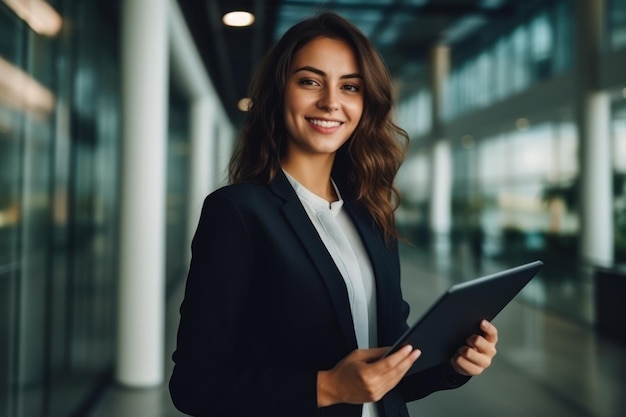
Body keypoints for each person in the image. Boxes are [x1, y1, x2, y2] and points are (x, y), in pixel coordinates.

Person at [169, 12, 498, 417]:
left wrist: (454, 364)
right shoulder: (238, 212)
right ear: (278, 92)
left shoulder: (371, 215)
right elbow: (194, 385)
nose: (331, 102)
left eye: (350, 87)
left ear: (365, 103)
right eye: (310, 81)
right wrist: (328, 387)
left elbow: (388, 370)